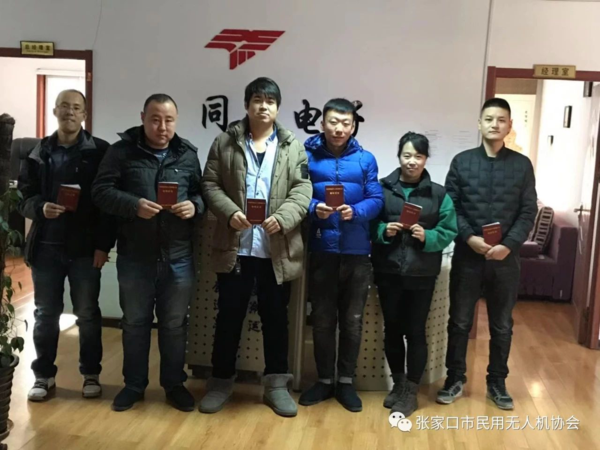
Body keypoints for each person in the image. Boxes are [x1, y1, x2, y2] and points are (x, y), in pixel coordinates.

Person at [199, 77, 311, 417]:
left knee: (276, 319)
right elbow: (209, 183)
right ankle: (220, 382)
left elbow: (303, 189)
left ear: (278, 107)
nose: (264, 106)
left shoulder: (292, 146)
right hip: (236, 248)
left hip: (275, 250)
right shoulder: (225, 141)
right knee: (228, 317)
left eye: (270, 101)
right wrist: (229, 212)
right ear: (247, 105)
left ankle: (276, 385)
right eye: (258, 100)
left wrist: (285, 217)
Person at [92, 93, 204, 412]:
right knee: (135, 323)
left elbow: (201, 193)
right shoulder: (121, 152)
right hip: (135, 256)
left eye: (169, 120)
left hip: (178, 256)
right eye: (155, 119)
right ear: (142, 118)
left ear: (176, 121)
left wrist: (193, 206)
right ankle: (134, 385)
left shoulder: (187, 154)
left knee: (174, 324)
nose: (162, 127)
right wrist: (133, 205)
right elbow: (100, 192)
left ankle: (174, 384)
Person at [438, 98, 537, 410]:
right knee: (459, 321)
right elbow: (451, 206)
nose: (495, 124)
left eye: (501, 120)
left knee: (502, 325)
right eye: (489, 119)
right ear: (479, 123)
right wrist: (469, 237)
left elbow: (528, 210)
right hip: (468, 257)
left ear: (509, 126)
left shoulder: (522, 165)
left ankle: (497, 382)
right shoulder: (462, 162)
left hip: (506, 260)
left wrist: (509, 244)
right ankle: (454, 378)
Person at [18, 90, 115, 401]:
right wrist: (39, 208)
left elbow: (107, 204)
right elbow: (23, 196)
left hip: (85, 249)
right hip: (46, 247)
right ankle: (43, 376)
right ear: (54, 110)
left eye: (76, 107)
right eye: (64, 106)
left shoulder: (100, 151)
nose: (69, 112)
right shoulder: (38, 152)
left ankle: (91, 374)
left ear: (84, 114)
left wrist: (103, 246)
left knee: (87, 313)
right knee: (46, 313)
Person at [299, 98, 383, 413]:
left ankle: (345, 381)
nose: (339, 128)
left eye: (346, 123)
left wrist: (356, 211)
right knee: (322, 320)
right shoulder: (307, 157)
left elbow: (376, 198)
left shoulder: (365, 159)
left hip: (357, 252)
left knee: (352, 320)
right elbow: (296, 194)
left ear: (353, 126)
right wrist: (313, 208)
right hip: (322, 249)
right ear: (322, 123)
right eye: (333, 122)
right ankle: (324, 379)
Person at [370, 132, 457, 417]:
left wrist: (427, 236)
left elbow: (449, 230)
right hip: (388, 270)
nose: (412, 161)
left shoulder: (438, 194)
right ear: (399, 157)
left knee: (416, 331)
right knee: (392, 329)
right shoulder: (382, 189)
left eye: (418, 156)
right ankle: (398, 384)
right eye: (407, 155)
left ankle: (411, 390)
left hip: (422, 274)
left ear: (426, 159)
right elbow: (369, 223)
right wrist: (384, 230)